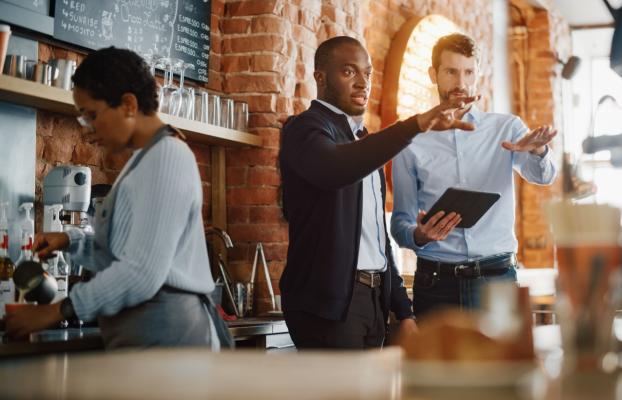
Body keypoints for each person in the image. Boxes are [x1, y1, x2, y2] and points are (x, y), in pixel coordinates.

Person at [5, 47, 233, 350]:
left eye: (92, 115)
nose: (88, 131)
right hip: (146, 335)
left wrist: (56, 311)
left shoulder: (167, 157)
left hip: (168, 337)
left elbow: (141, 273)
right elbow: (124, 250)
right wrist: (71, 242)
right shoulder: (142, 161)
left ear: (128, 104)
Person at [279, 36, 478, 349]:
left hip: (373, 303)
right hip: (327, 307)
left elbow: (376, 239)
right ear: (320, 77)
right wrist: (414, 125)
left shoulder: (363, 140)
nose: (362, 83)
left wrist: (403, 310)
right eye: (349, 72)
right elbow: (335, 168)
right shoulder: (304, 128)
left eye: (367, 74)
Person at [390, 33, 558, 317]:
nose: (461, 83)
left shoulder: (506, 128)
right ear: (434, 74)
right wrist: (418, 235)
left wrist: (538, 151)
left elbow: (544, 176)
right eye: (451, 72)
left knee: (503, 363)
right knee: (436, 364)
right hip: (436, 284)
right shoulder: (411, 139)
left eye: (469, 72)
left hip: (497, 281)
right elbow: (400, 224)